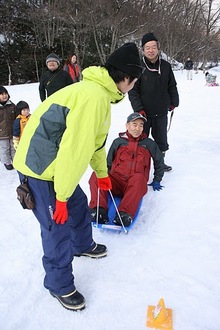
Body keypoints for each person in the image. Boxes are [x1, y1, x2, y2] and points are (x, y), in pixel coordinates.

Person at [13, 42, 143, 311]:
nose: (133, 87)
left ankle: (82, 244)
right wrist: (59, 196)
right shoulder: (93, 97)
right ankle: (59, 284)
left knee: (78, 205)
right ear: (126, 78)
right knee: (56, 226)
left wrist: (102, 173)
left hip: (56, 165)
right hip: (39, 168)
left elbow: (95, 143)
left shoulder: (100, 96)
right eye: (135, 81)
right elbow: (74, 150)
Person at [89, 112, 165, 227]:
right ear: (127, 126)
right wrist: (103, 177)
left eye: (140, 125)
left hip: (134, 185)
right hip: (116, 181)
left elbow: (159, 162)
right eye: (134, 124)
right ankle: (98, 210)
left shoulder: (149, 144)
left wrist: (157, 179)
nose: (137, 128)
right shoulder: (118, 142)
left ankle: (124, 214)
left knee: (139, 178)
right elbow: (108, 163)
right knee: (96, 175)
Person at [128, 32, 179, 172]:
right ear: (143, 50)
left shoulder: (166, 66)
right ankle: (138, 165)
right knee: (140, 139)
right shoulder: (138, 66)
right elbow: (132, 91)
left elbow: (172, 85)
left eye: (153, 47)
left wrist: (174, 101)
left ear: (158, 48)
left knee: (161, 140)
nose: (151, 50)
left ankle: (160, 163)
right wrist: (139, 109)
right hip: (143, 114)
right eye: (147, 47)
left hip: (161, 111)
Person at [0, 86, 16, 170]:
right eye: (1, 94)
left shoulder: (12, 105)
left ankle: (15, 160)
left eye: (5, 94)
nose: (4, 96)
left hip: (12, 131)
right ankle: (7, 162)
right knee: (4, 149)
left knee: (13, 147)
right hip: (2, 134)